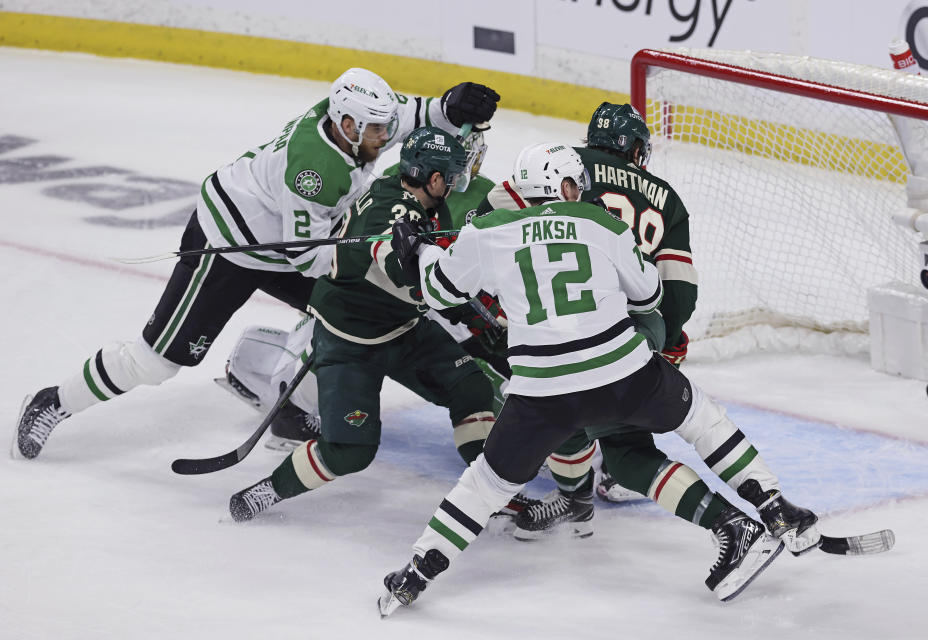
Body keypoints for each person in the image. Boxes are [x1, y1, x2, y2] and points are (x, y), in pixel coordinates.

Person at [379, 143, 821, 614]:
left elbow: (440, 292)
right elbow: (649, 293)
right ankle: (773, 509)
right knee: (700, 418)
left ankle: (416, 574)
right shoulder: (601, 223)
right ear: (566, 186)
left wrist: (420, 248)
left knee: (486, 482)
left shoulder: (487, 231)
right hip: (623, 373)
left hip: (542, 394)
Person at [15, 68, 500, 460]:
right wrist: (378, 250)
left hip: (279, 241)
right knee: (158, 360)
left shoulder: (349, 115)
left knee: (349, 310)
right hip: (231, 245)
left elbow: (400, 114)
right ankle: (54, 401)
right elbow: (308, 258)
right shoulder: (316, 170)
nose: (386, 135)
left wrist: (445, 106)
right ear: (347, 126)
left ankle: (295, 407)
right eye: (376, 130)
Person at [226, 127, 509, 522]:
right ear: (433, 178)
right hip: (350, 341)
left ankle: (492, 495)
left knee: (472, 388)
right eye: (453, 176)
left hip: (404, 328)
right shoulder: (393, 210)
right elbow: (398, 258)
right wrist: (414, 257)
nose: (459, 183)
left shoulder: (414, 188)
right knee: (350, 451)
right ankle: (267, 490)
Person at [476, 102, 699, 538]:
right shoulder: (666, 197)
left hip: (554, 317)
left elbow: (487, 215)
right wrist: (667, 336)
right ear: (637, 149)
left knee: (554, 391)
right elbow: (680, 293)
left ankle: (576, 488)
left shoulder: (562, 167)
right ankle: (606, 469)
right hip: (629, 323)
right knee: (614, 409)